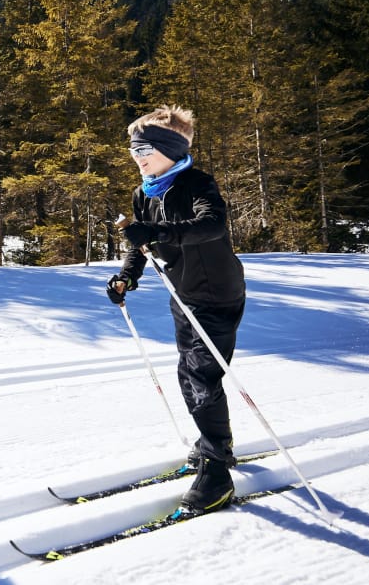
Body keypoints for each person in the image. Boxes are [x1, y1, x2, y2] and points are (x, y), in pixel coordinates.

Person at [106, 105, 246, 513]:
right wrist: (126, 277)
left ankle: (218, 472)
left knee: (201, 377)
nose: (138, 156)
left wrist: (158, 231)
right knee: (189, 374)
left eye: (145, 148)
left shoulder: (196, 183)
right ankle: (212, 443)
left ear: (169, 148)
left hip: (217, 294)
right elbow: (141, 243)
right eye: (133, 149)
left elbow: (212, 226)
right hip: (183, 294)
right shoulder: (144, 193)